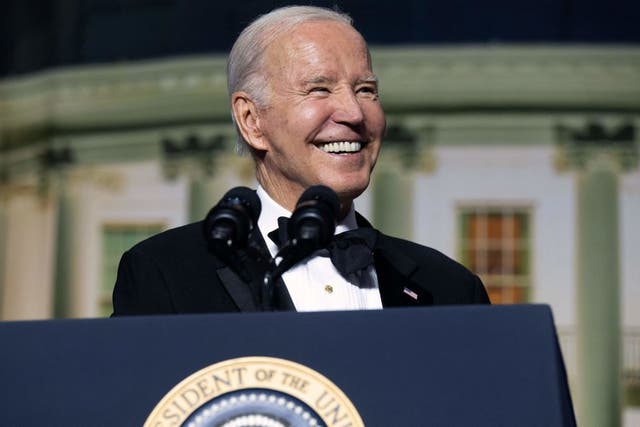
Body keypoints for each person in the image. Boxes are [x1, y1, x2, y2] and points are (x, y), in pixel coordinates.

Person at [112, 5, 489, 315]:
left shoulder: (452, 288)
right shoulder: (163, 272)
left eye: (366, 90)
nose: (354, 113)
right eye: (319, 89)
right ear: (252, 121)